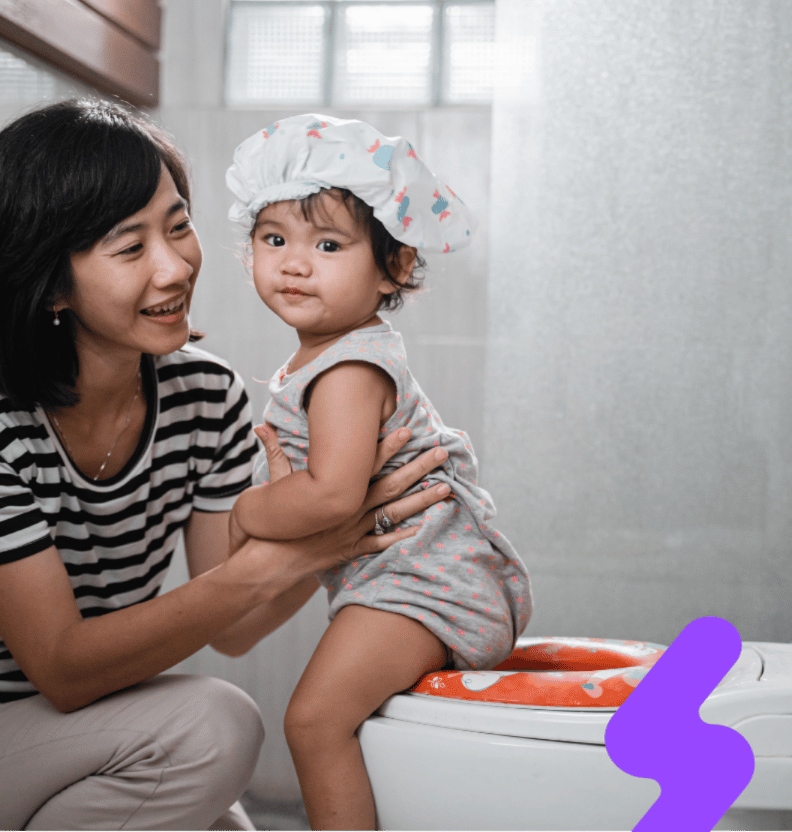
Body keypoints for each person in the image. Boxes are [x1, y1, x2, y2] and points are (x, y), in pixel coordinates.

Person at [0, 99, 454, 831]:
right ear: (51, 282)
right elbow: (63, 669)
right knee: (214, 723)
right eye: (129, 249)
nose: (173, 268)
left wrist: (352, 528)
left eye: (179, 227)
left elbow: (234, 624)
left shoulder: (205, 395)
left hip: (85, 741)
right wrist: (290, 550)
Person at [224, 114, 534, 830]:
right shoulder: (332, 354)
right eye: (274, 240)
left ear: (393, 266)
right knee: (341, 723)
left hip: (426, 586)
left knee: (312, 721)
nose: (294, 263)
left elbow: (332, 497)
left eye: (327, 244)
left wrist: (250, 512)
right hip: (417, 580)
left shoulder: (348, 367)